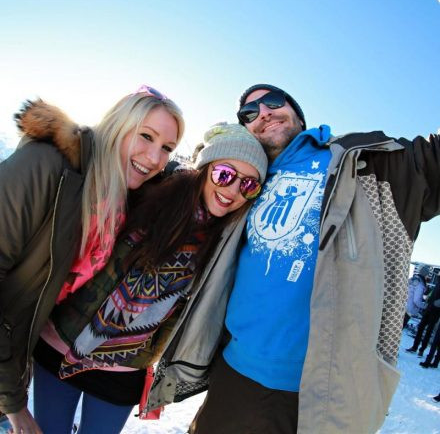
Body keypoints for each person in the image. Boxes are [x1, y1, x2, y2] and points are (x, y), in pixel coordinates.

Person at [141, 83, 440, 434]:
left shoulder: (366, 164)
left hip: (319, 395)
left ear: (297, 113)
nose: (262, 113)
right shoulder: (248, 179)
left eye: (271, 102)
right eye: (249, 114)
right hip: (235, 377)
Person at [30, 123, 267, 434]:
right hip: (61, 340)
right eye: (224, 174)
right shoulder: (150, 187)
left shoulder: (226, 242)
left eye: (249, 186)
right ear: (205, 167)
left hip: (125, 368)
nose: (232, 191)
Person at [0, 85, 185, 434]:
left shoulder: (119, 200)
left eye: (167, 148)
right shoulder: (45, 166)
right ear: (117, 124)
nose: (154, 157)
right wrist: (12, 403)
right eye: (145, 136)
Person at [406, 277, 440, 357]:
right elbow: (433, 293)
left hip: (436, 312)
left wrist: (437, 302)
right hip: (428, 309)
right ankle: (415, 347)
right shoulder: (438, 282)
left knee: (428, 331)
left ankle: (422, 350)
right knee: (420, 328)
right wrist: (429, 296)